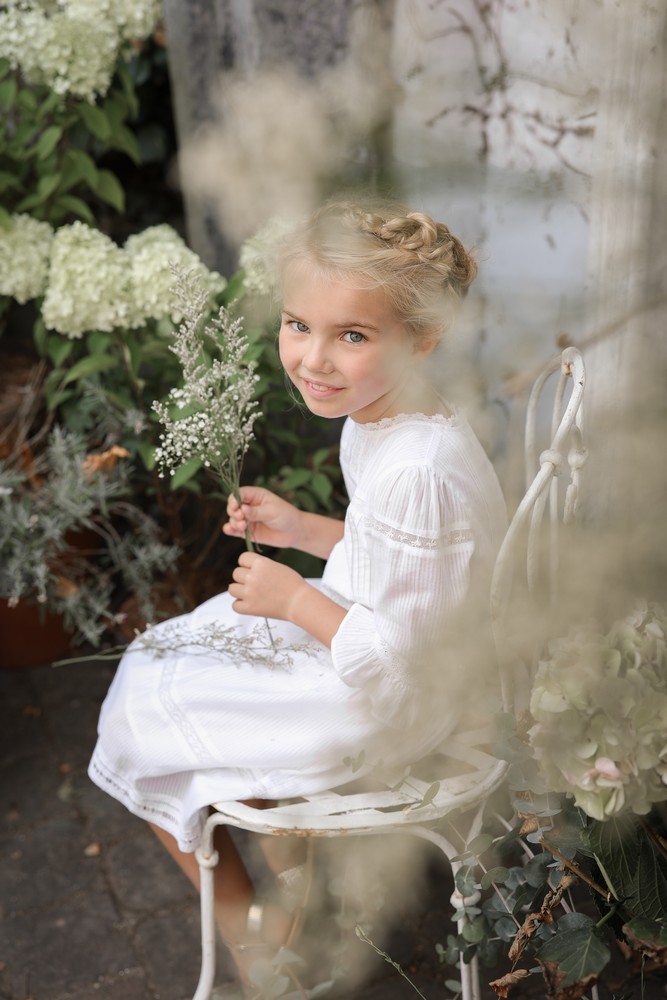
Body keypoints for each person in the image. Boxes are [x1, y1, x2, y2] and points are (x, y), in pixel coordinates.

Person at [88, 199, 507, 991]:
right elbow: (401, 570)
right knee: (164, 657)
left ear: (423, 336)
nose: (312, 358)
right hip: (361, 642)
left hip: (392, 700)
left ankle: (252, 924)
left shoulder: (416, 469)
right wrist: (307, 529)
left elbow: (405, 663)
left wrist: (294, 602)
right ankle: (295, 877)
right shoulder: (386, 420)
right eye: (296, 325)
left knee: (143, 704)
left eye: (351, 335)